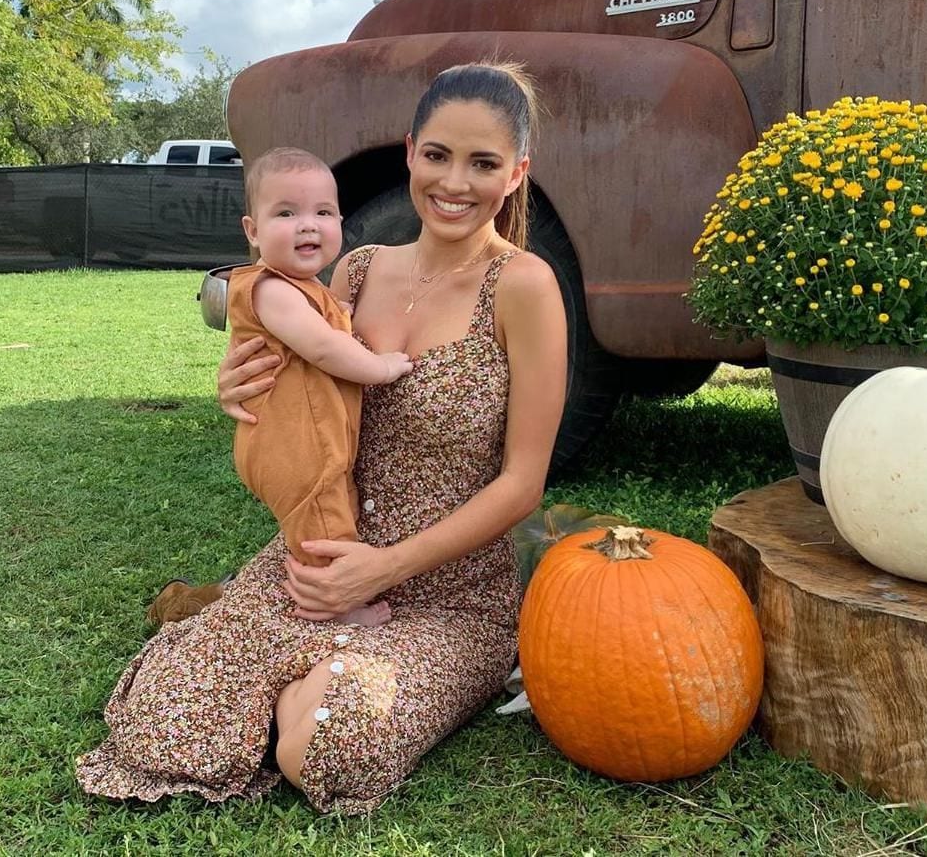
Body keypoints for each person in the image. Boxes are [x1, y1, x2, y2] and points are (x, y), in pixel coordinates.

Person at [75, 61, 568, 813]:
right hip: (315, 565)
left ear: (517, 172)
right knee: (157, 725)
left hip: (449, 597)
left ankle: (297, 684)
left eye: (483, 163)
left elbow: (522, 483)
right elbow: (303, 394)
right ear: (409, 151)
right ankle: (282, 665)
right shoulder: (358, 271)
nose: (454, 183)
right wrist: (236, 387)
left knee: (330, 749)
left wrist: (382, 570)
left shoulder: (525, 286)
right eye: (437, 155)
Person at [151, 148, 411, 628]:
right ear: (252, 231)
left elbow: (328, 324)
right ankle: (335, 605)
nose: (308, 225)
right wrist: (382, 366)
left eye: (323, 212)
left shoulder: (309, 287)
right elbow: (326, 349)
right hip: (294, 446)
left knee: (332, 510)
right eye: (287, 213)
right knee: (323, 524)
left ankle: (210, 600)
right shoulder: (272, 289)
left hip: (302, 440)